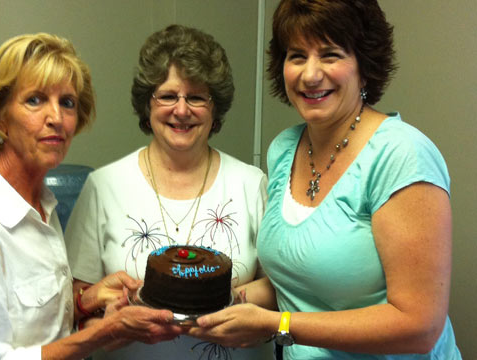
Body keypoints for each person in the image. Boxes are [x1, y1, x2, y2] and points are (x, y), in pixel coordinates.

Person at [187, 1, 462, 359]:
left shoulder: (401, 155)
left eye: (330, 55)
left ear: (365, 66)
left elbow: (419, 327)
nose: (310, 74)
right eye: (297, 56)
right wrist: (211, 302)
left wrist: (277, 325)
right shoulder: (284, 149)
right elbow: (296, 279)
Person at [0, 33, 183, 360]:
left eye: (67, 102)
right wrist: (105, 332)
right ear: (0, 116)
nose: (56, 118)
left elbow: (38, 329)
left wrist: (84, 302)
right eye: (35, 100)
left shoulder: (41, 207)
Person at [65, 24, 273, 359]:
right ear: (147, 104)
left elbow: (279, 286)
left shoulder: (251, 183)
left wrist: (235, 300)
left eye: (196, 97)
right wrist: (108, 324)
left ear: (215, 107)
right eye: (167, 95)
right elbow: (76, 300)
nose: (181, 110)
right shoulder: (104, 186)